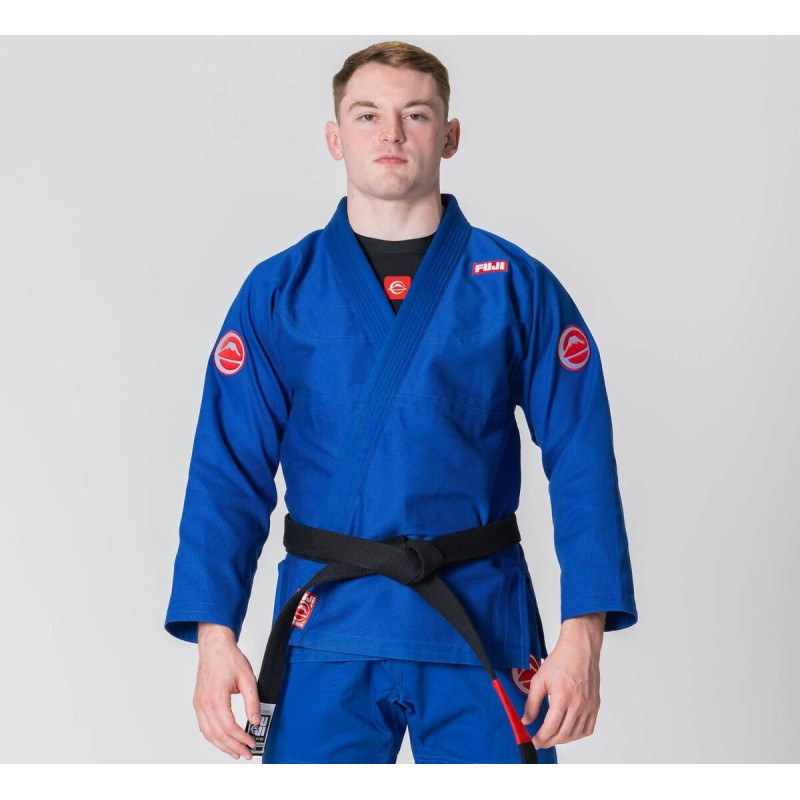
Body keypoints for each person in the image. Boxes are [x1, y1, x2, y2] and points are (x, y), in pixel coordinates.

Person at [164, 40, 638, 765]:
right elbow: (227, 471)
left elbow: (583, 458)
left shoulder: (514, 285)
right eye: (367, 115)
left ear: (449, 135)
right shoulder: (279, 291)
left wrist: (584, 633)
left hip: (479, 622)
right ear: (335, 138)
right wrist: (214, 635)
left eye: (415, 114)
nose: (390, 134)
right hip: (327, 627)